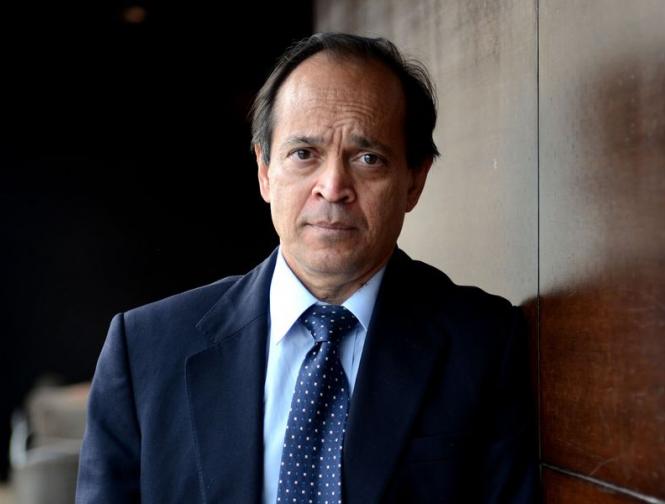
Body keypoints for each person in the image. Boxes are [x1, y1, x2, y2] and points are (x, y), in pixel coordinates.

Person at [76, 33, 539, 503]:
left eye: (368, 158)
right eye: (304, 154)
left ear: (414, 181)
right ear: (264, 170)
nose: (333, 187)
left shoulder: (483, 344)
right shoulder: (144, 351)